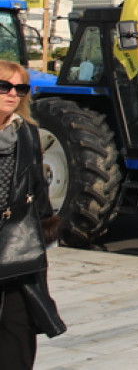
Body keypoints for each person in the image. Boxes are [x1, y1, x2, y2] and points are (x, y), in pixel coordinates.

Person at [0, 60, 66, 368]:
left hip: (17, 247)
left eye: (20, 88)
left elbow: (38, 190)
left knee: (18, 331)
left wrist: (43, 232)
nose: (12, 94)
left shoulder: (27, 133)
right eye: (4, 86)